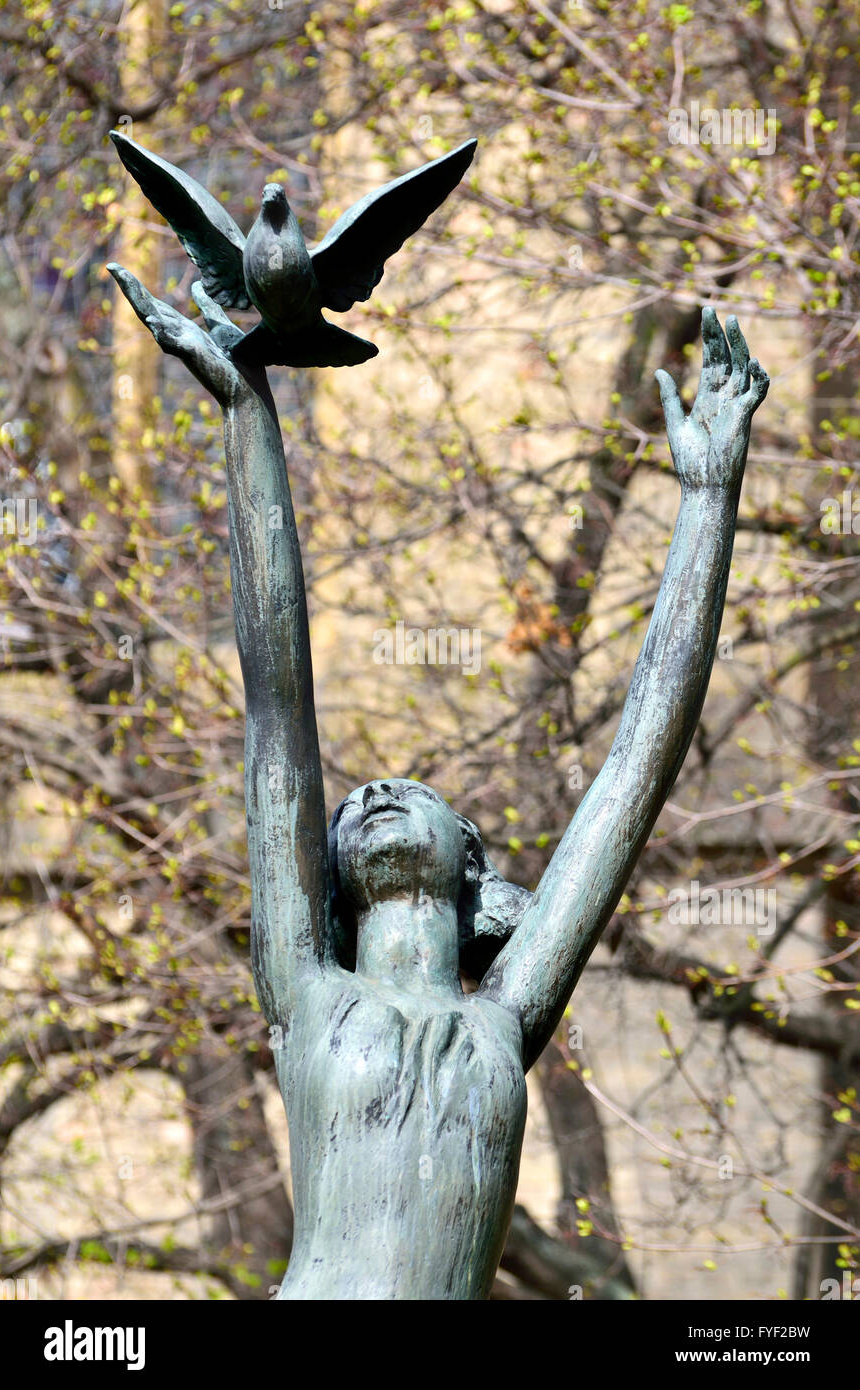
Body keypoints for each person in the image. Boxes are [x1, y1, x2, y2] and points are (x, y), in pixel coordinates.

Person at [109, 267, 768, 1299]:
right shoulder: (307, 993)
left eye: (408, 791)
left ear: (473, 861)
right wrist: (246, 412)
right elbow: (277, 697)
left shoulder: (503, 1016)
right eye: (352, 803)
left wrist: (706, 500)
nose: (372, 794)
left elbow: (637, 759)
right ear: (322, 872)